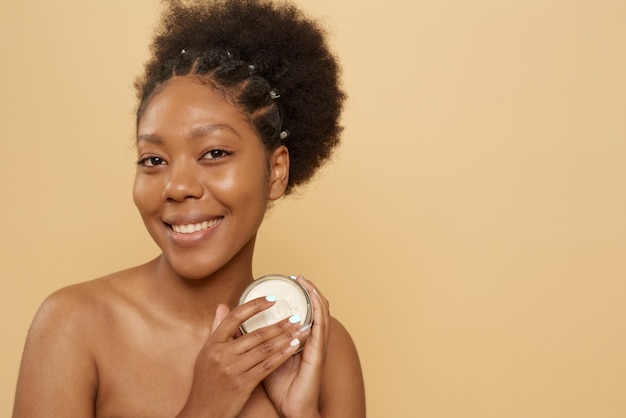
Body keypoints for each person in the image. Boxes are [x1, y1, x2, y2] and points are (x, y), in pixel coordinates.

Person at [12, 0, 366, 416]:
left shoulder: (322, 348)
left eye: (214, 152)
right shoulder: (74, 327)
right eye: (154, 160)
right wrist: (206, 405)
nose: (177, 187)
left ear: (275, 171)